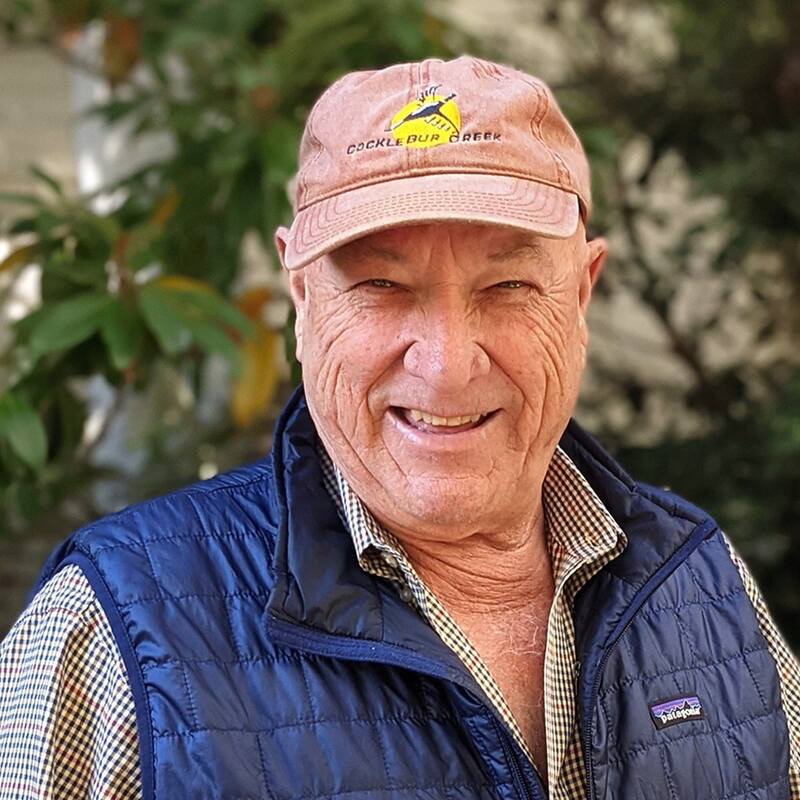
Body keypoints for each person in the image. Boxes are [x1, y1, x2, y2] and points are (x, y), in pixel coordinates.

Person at [0, 55, 798, 800]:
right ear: (302, 299)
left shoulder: (698, 580)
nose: (448, 365)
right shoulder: (112, 630)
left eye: (510, 283)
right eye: (379, 283)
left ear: (582, 294)